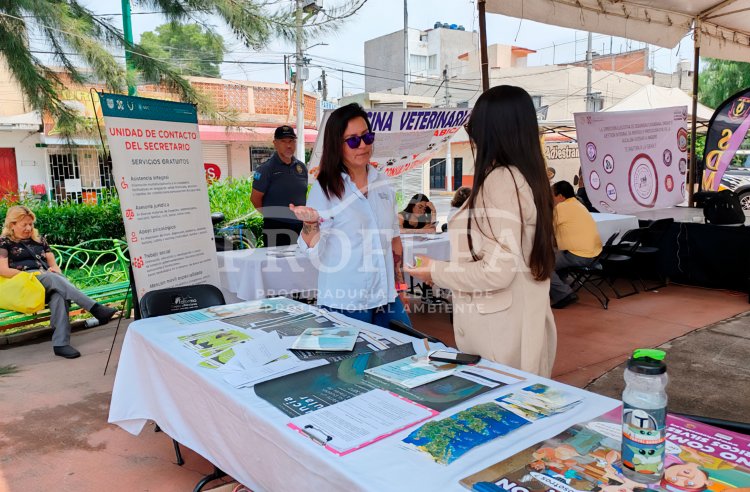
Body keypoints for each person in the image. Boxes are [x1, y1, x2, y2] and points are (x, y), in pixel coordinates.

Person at [405, 85, 557, 377]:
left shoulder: (501, 181)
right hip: (512, 321)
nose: (470, 133)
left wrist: (435, 272)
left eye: (473, 125)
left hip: (499, 332)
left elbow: (496, 271)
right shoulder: (525, 177)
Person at [289, 103, 412, 329]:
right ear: (338, 145)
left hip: (386, 297)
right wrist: (310, 224)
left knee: (405, 354)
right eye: (353, 140)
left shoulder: (382, 183)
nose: (363, 145)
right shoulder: (325, 189)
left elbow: (393, 239)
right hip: (346, 301)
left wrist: (401, 288)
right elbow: (313, 250)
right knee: (353, 365)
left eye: (367, 136)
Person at [0, 206, 117, 359]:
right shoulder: (4, 242)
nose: (29, 228)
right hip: (23, 285)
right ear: (12, 224)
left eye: (31, 224)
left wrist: (54, 270)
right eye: (24, 225)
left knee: (58, 295)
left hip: (46, 282)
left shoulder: (39, 240)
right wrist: (30, 276)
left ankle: (60, 344)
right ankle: (95, 308)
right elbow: (3, 270)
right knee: (51, 279)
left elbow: (53, 265)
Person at [251, 125, 308, 247]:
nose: (288, 145)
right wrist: (273, 216)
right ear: (275, 143)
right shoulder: (266, 169)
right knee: (275, 265)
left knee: (300, 264)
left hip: (300, 227)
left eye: (291, 141)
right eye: (283, 141)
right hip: (276, 229)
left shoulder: (302, 168)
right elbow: (255, 199)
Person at [549, 180, 603, 309]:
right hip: (595, 255)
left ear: (560, 196)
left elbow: (547, 228)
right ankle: (561, 288)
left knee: (542, 265)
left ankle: (564, 294)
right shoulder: (578, 204)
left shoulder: (561, 207)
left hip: (579, 255)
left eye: (551, 194)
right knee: (556, 256)